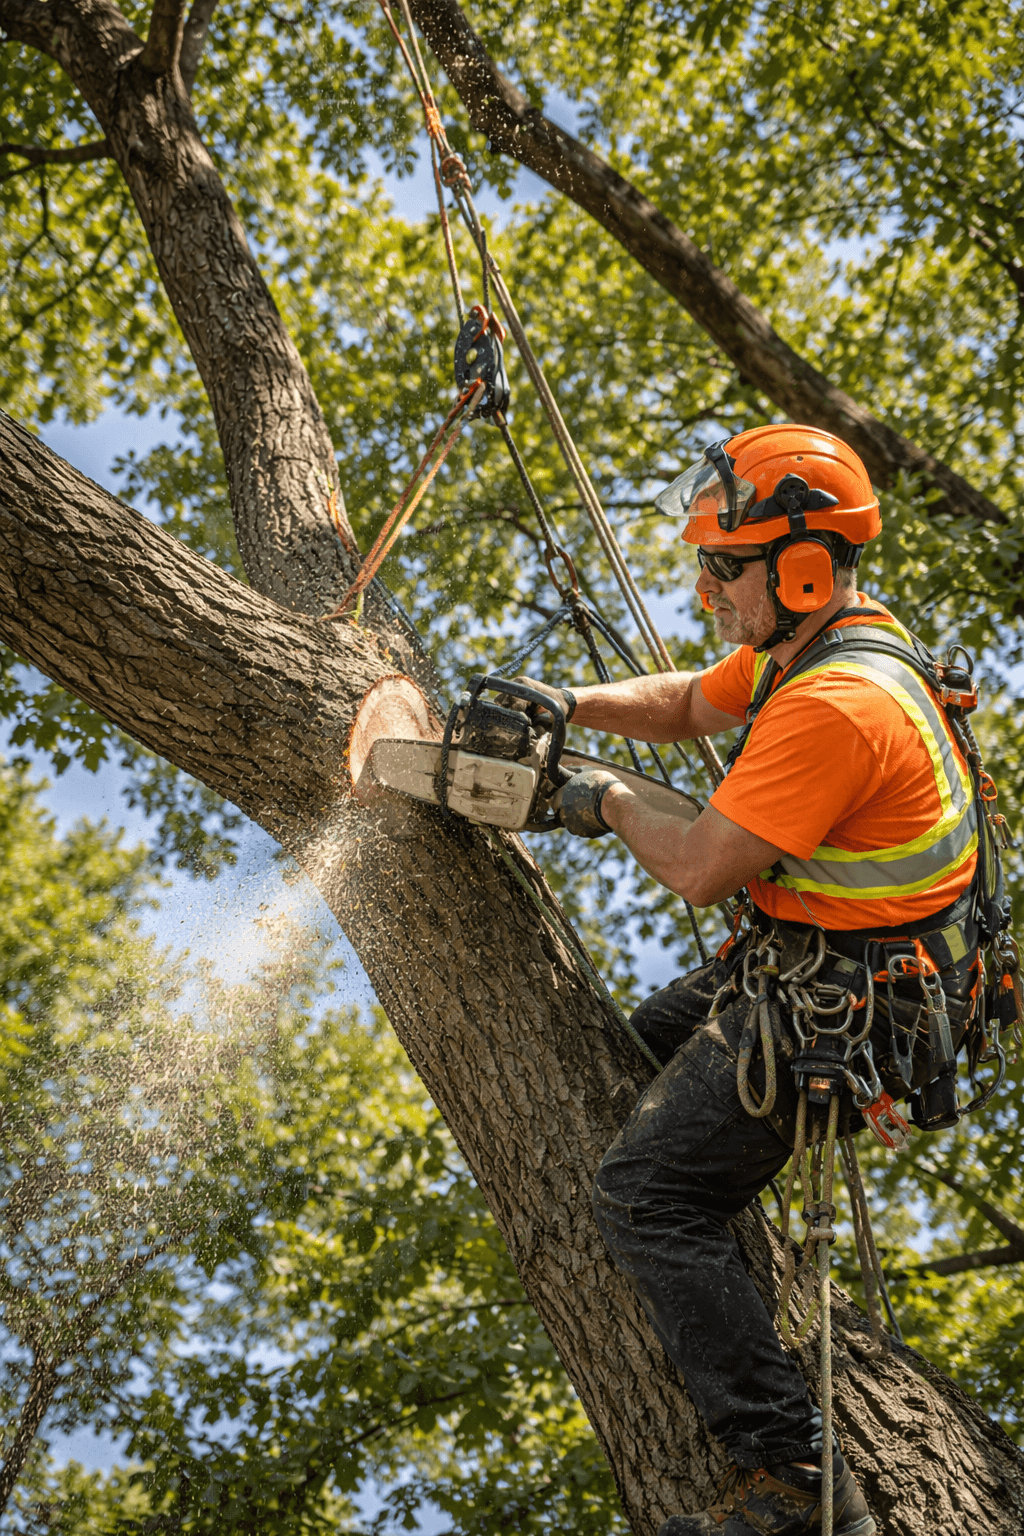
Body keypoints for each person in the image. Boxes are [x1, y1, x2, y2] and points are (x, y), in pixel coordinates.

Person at [518, 424, 1000, 1535]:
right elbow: (693, 699)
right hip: (822, 959)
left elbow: (696, 867)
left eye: (719, 569)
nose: (700, 590)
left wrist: (596, 800)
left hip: (853, 1009)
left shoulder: (838, 705)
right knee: (633, 1045)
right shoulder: (821, 642)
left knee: (645, 1196)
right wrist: (567, 704)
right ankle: (731, 1237)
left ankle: (791, 1482)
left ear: (799, 568)